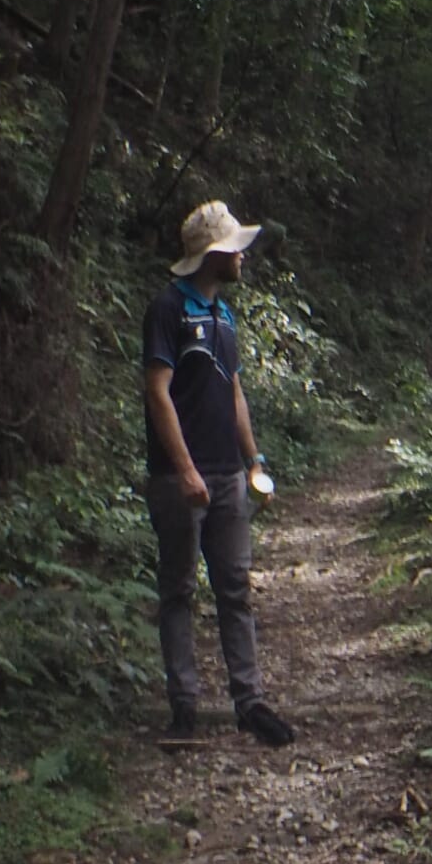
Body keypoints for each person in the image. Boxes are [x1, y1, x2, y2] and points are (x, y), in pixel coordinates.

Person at [143, 200, 295, 746]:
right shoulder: (167, 310)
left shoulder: (224, 317)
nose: (243, 257)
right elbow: (157, 393)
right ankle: (183, 709)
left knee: (236, 589)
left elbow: (234, 394)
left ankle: (248, 702)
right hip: (179, 479)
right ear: (213, 255)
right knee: (179, 590)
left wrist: (254, 463)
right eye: (235, 249)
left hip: (229, 476)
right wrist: (184, 471)